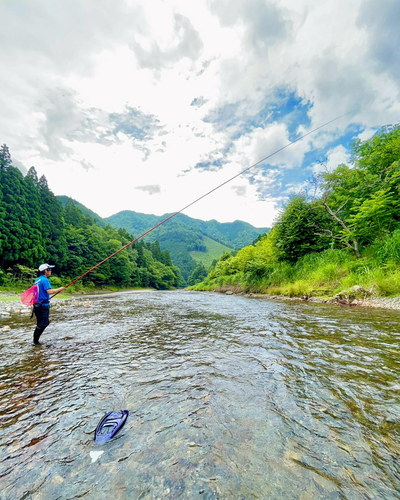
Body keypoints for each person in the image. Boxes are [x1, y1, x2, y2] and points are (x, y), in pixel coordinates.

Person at [32, 263, 65, 345]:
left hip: (37, 305)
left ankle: (36, 341)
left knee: (43, 323)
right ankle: (35, 342)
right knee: (42, 324)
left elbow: (35, 293)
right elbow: (49, 291)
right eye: (49, 269)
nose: (50, 271)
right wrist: (60, 289)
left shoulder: (37, 280)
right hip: (43, 306)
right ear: (45, 271)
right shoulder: (45, 280)